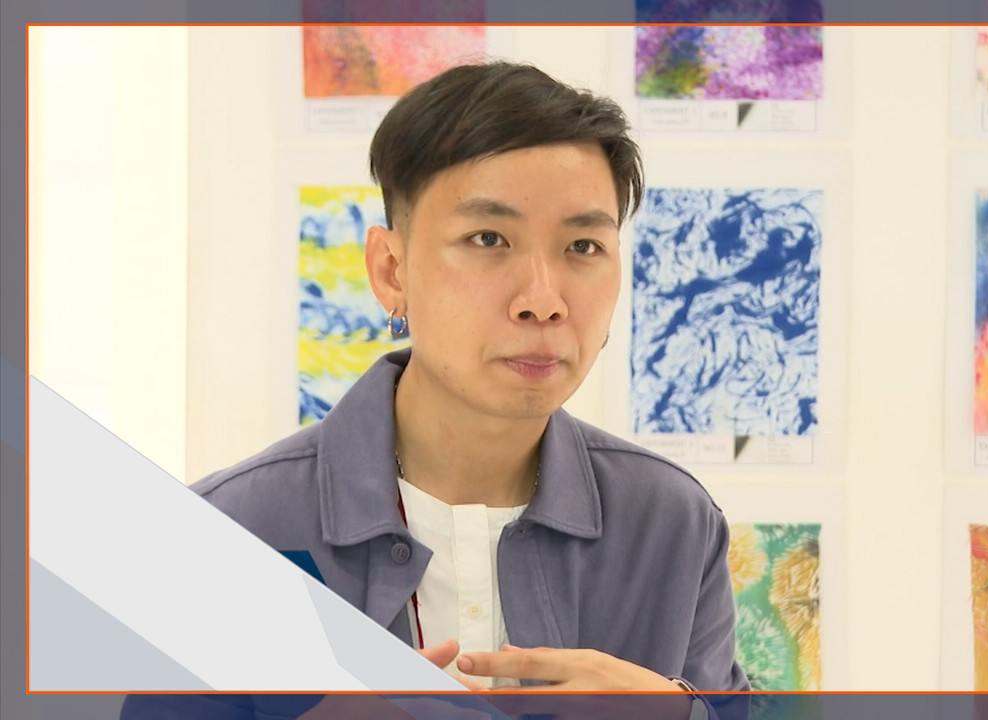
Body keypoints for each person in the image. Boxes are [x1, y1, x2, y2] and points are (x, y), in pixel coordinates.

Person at [121, 61, 748, 720]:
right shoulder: (230, 531)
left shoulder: (673, 521)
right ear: (391, 271)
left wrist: (683, 715)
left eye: (584, 246)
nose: (543, 300)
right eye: (488, 239)